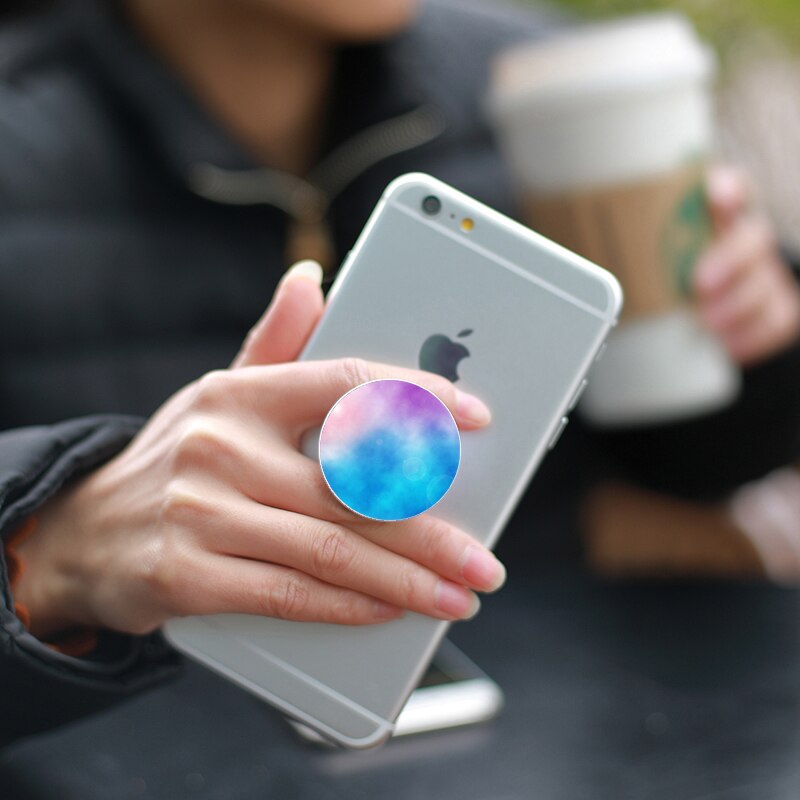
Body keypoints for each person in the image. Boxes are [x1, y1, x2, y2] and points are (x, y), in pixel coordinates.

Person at [1, 0, 799, 759]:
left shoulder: (527, 81)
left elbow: (687, 460)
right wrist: (50, 553)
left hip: (567, 740)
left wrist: (755, 344)